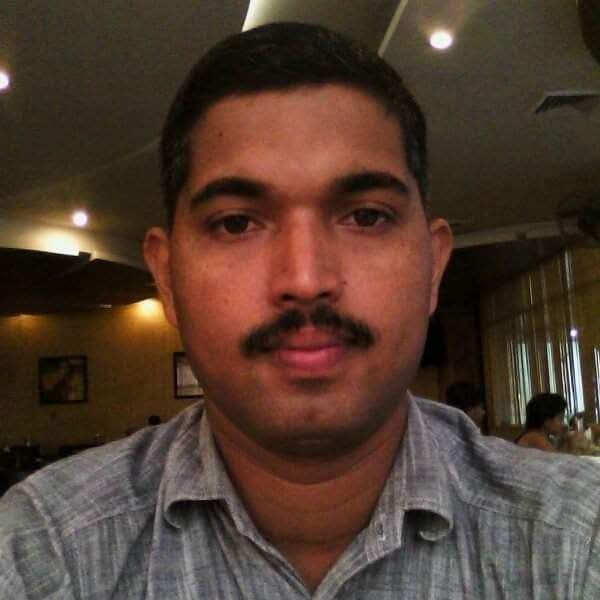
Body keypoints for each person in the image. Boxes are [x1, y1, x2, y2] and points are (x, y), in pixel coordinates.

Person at [1, 22, 599, 599]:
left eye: (366, 216)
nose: (306, 280)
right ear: (167, 279)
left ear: (433, 267)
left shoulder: (577, 536)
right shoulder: (43, 549)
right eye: (237, 223)